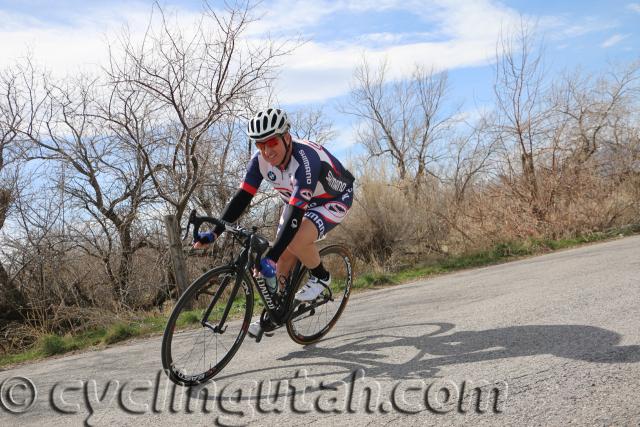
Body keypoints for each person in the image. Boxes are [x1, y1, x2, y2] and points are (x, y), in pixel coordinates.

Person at [193, 108, 355, 338]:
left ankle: (321, 277)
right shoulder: (259, 161)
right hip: (297, 202)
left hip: (331, 199)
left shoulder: (304, 160)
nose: (267, 151)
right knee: (281, 261)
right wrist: (215, 231)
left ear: (286, 138)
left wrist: (272, 254)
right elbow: (242, 198)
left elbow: (297, 213)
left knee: (295, 242)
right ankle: (278, 312)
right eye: (261, 145)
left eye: (272, 142)